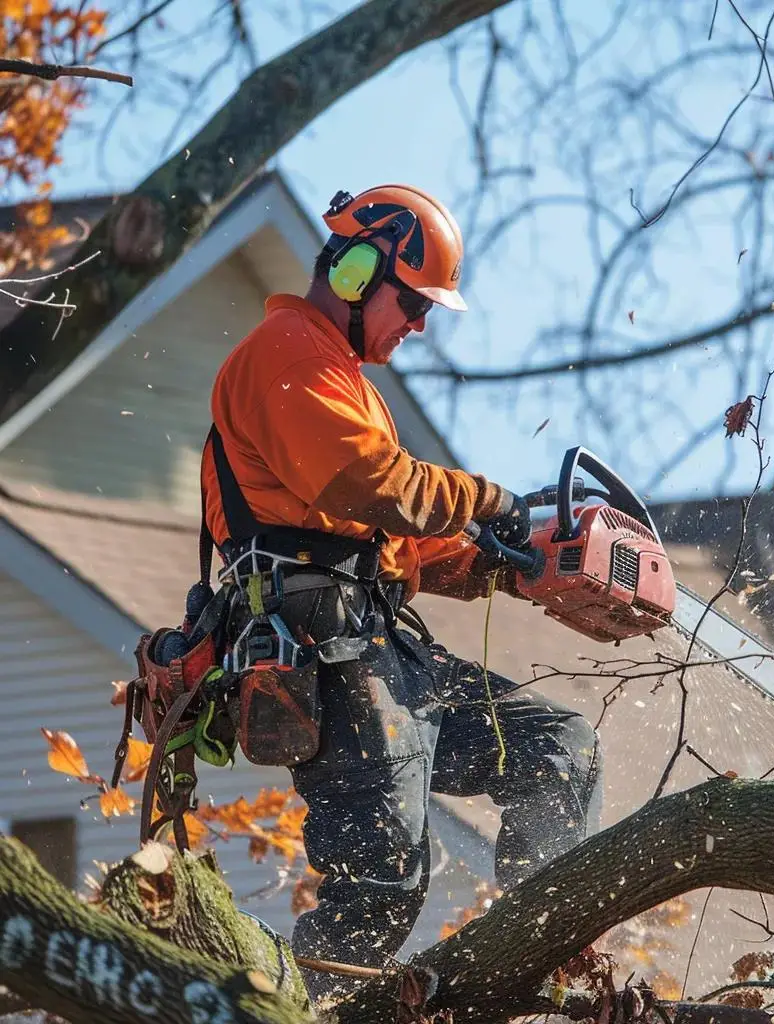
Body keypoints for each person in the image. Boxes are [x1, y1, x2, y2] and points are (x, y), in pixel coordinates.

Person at [199, 184, 603, 1003]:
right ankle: (293, 1010)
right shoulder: (286, 352)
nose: (418, 326)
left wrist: (514, 562)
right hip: (327, 655)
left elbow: (404, 542)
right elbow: (370, 486)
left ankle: (528, 968)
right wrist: (489, 499)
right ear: (353, 269)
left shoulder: (347, 382)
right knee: (381, 886)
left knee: (559, 753)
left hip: (389, 652)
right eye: (412, 304)